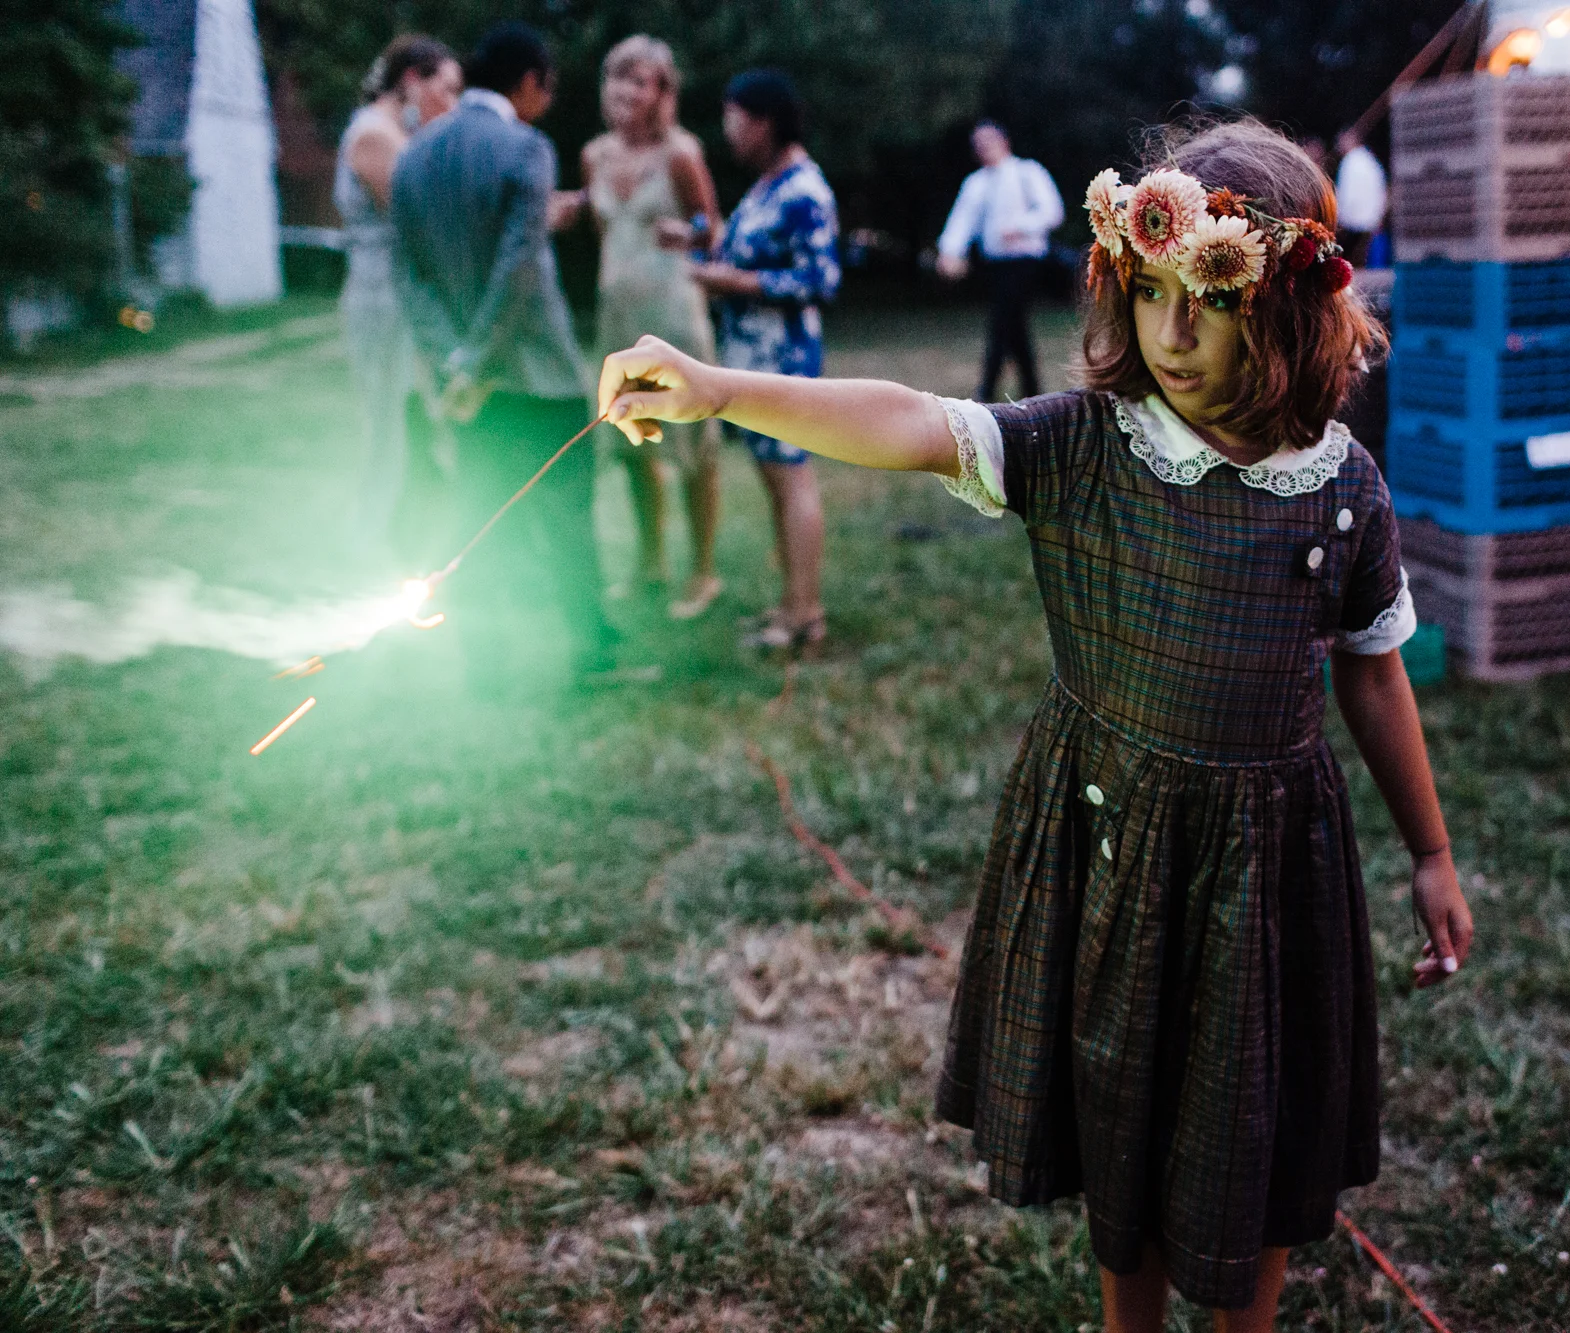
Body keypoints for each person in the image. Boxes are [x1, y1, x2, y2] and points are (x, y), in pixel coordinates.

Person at [600, 120, 1473, 1332]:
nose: (1171, 334)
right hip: (1110, 850)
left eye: (1207, 302)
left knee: (1247, 1118)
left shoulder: (1339, 489)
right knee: (1120, 1098)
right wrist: (720, 388)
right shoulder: (1081, 448)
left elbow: (1375, 672)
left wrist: (1427, 851)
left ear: (1285, 306)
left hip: (1264, 874)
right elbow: (908, 419)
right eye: (1149, 292)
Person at [391, 22, 617, 687]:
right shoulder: (525, 147)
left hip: (470, 389)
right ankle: (592, 651)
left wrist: (454, 360)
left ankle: (487, 666)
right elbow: (518, 270)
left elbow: (411, 280)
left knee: (479, 520)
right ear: (527, 81)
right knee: (568, 512)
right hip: (539, 376)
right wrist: (480, 358)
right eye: (546, 86)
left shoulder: (411, 156)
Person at [687, 69, 840, 651]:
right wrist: (699, 239)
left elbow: (820, 279)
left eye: (734, 120)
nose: (728, 133)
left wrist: (730, 280)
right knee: (773, 484)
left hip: (785, 358)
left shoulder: (805, 189)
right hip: (753, 358)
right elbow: (744, 246)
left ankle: (806, 614)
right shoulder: (768, 184)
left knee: (792, 479)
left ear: (763, 121)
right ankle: (789, 605)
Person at [581, 35, 725, 618]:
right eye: (618, 76)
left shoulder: (681, 154)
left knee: (693, 445)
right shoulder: (594, 155)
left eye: (640, 80)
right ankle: (650, 564)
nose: (625, 89)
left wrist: (689, 235)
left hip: (674, 315)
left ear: (662, 93)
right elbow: (604, 237)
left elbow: (712, 230)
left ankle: (703, 572)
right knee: (634, 442)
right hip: (619, 315)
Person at [335, 35, 461, 556]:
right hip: (381, 295)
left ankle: (401, 532)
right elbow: (422, 218)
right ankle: (370, 541)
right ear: (412, 81)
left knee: (408, 419)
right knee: (387, 421)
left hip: (400, 291)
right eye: (446, 90)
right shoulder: (374, 136)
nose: (451, 105)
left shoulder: (392, 133)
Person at [936, 121, 1064, 400]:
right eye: (978, 145)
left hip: (1025, 261)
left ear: (1004, 142)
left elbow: (1052, 211)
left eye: (988, 142)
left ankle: (986, 391)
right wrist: (949, 252)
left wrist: (1020, 226)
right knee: (1014, 329)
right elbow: (962, 220)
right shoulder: (976, 183)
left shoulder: (1027, 172)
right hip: (996, 265)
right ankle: (1033, 391)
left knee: (1002, 323)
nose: (983, 149)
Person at [1333, 128, 1386, 266]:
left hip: (1354, 221)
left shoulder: (1349, 162)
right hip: (1371, 220)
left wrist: (1340, 217)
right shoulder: (1371, 160)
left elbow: (1347, 193)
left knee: (1353, 264)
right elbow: (1381, 190)